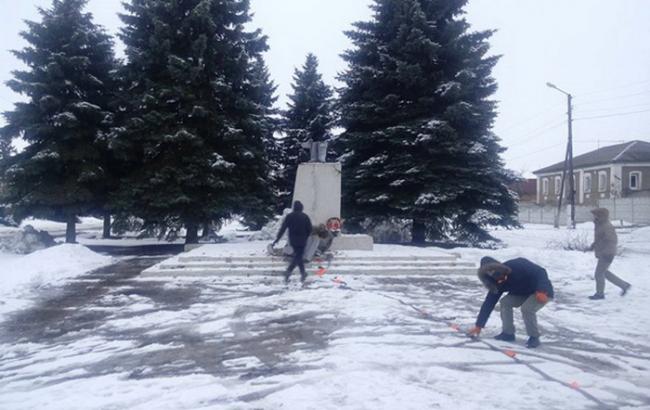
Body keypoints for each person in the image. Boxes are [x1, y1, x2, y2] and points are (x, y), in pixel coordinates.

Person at [468, 256, 554, 348]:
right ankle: (508, 333)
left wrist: (542, 290)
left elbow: (540, 272)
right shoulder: (496, 283)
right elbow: (488, 303)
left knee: (527, 308)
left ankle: (534, 337)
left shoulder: (518, 264)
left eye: (503, 278)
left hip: (541, 292)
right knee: (505, 302)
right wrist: (479, 325)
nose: (502, 281)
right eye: (499, 281)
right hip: (522, 293)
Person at [588, 208, 631, 300]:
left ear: (601, 215)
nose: (594, 216)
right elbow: (600, 238)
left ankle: (600, 294)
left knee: (599, 274)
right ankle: (624, 285)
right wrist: (594, 245)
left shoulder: (606, 226)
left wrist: (606, 251)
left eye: (595, 214)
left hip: (607, 253)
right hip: (604, 252)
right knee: (604, 273)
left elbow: (612, 240)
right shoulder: (600, 224)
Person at [272, 201, 312, 283]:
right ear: (301, 208)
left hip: (293, 239)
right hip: (302, 239)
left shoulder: (289, 216)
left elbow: (283, 228)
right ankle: (290, 271)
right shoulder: (305, 216)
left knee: (298, 256)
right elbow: (310, 229)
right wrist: (306, 236)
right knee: (299, 256)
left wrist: (277, 239)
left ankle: (302, 273)